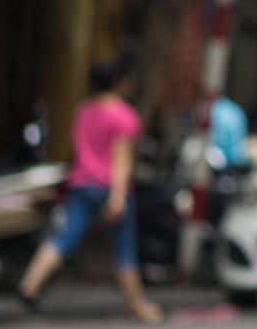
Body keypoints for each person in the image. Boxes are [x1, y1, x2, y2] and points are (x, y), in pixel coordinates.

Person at [17, 59, 162, 323]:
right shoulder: (123, 114)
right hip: (109, 187)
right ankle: (140, 307)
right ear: (121, 82)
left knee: (63, 237)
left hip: (82, 184)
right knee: (124, 249)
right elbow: (121, 159)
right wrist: (118, 196)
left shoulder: (85, 110)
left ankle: (30, 284)